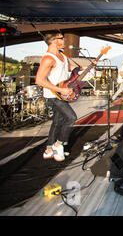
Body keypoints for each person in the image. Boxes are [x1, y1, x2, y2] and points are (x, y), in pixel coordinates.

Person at [35, 32, 86, 161]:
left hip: (62, 93)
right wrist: (59, 90)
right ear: (54, 41)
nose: (64, 40)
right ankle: (59, 144)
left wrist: (82, 68)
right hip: (54, 94)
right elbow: (39, 80)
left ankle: (48, 148)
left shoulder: (62, 55)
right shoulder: (48, 58)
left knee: (57, 122)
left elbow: (69, 68)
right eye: (61, 38)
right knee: (71, 117)